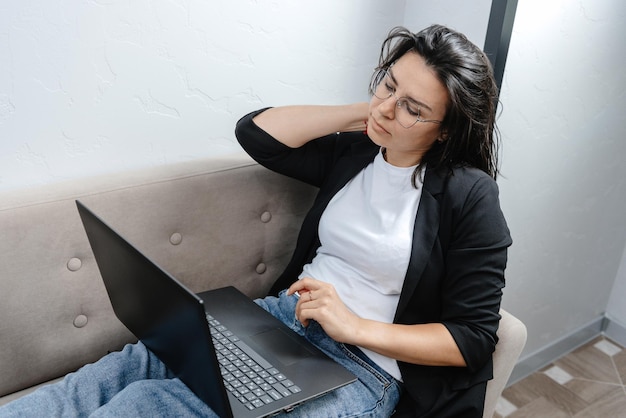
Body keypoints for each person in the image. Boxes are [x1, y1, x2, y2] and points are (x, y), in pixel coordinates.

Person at [0, 24, 511, 417]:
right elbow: (258, 134)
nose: (389, 108)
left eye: (413, 109)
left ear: (446, 131)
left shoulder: (469, 195)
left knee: (150, 407)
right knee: (120, 372)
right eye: (388, 85)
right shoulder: (358, 152)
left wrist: (355, 326)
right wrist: (373, 111)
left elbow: (472, 338)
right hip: (281, 322)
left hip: (362, 370)